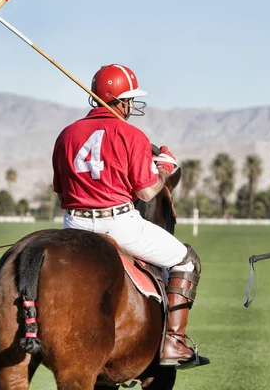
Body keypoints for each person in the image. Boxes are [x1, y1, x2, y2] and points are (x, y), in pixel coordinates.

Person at [52, 64, 209, 369]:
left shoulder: (66, 135)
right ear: (120, 101)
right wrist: (164, 166)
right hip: (119, 225)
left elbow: (61, 192)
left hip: (72, 228)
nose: (131, 106)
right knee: (186, 260)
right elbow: (148, 193)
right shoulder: (131, 134)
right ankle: (173, 343)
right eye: (130, 99)